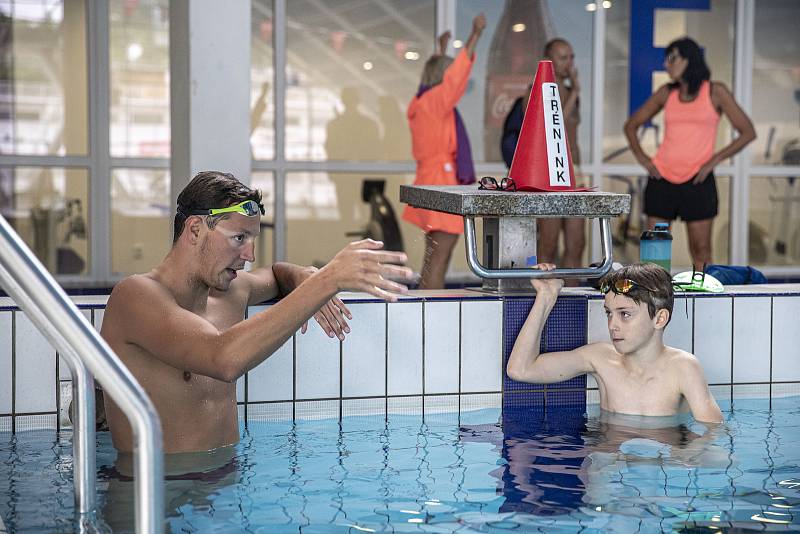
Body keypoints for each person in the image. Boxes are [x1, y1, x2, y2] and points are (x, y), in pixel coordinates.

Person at [101, 171, 413, 454]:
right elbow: (222, 358)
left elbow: (277, 273)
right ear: (195, 230)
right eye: (239, 238)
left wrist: (305, 276)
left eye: (252, 240)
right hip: (155, 497)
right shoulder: (135, 297)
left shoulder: (232, 292)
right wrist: (327, 281)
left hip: (223, 488)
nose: (249, 255)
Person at [506, 262, 723, 423]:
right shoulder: (600, 359)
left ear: (659, 318)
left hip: (663, 467)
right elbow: (521, 370)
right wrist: (545, 297)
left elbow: (712, 434)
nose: (613, 325)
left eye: (625, 314)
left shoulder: (683, 368)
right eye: (609, 313)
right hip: (610, 464)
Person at [624, 37, 756, 271]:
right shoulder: (666, 93)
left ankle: (707, 305)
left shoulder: (715, 91)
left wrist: (713, 160)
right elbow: (631, 125)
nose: (667, 64)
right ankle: (654, 304)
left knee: (701, 251)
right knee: (653, 253)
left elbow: (748, 132)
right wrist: (645, 160)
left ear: (688, 59)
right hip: (661, 179)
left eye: (672, 58)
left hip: (698, 181)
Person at [402, 14, 486, 289]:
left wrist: (440, 50)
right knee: (440, 257)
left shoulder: (423, 102)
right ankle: (431, 309)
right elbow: (454, 78)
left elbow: (438, 76)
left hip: (431, 180)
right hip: (441, 183)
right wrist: (474, 35)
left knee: (433, 255)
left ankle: (424, 304)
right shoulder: (435, 103)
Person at [501, 38, 585, 283]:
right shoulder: (535, 91)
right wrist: (575, 92)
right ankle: (542, 293)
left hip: (573, 171)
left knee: (577, 241)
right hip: (549, 173)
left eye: (571, 57)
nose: (568, 63)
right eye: (562, 57)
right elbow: (551, 123)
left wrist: (574, 92)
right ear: (548, 60)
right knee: (548, 240)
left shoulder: (571, 92)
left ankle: (572, 295)